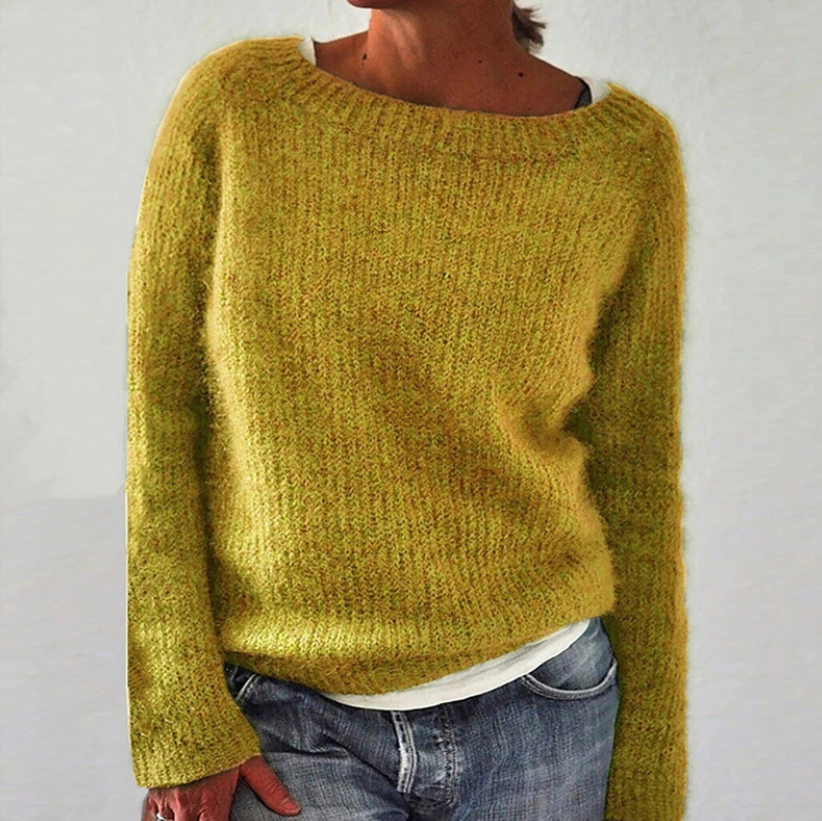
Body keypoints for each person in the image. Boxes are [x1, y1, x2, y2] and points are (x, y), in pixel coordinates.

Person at [126, 1, 689, 820]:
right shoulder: (239, 106)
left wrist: (647, 782)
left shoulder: (622, 155)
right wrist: (179, 716)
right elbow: (160, 419)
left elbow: (636, 471)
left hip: (549, 713)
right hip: (284, 720)